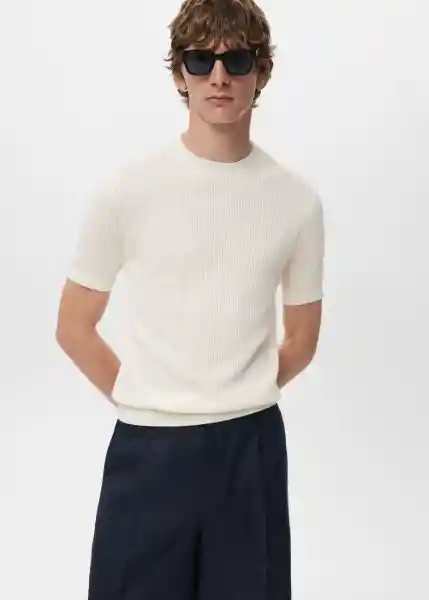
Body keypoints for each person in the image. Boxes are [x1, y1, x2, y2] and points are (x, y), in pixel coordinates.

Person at [55, 0, 325, 598]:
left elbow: (303, 340)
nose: (218, 77)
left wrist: (234, 391)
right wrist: (153, 395)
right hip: (147, 448)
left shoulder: (296, 202)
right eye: (201, 61)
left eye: (237, 61)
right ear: (180, 73)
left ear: (262, 72)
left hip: (249, 448)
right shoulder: (127, 190)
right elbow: (74, 325)